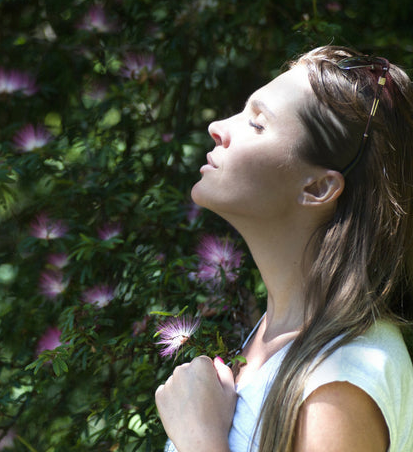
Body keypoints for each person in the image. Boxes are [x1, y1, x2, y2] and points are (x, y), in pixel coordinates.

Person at [155, 45, 413, 452]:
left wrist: (197, 439)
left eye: (257, 124)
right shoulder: (278, 337)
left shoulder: (341, 383)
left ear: (318, 187)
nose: (219, 126)